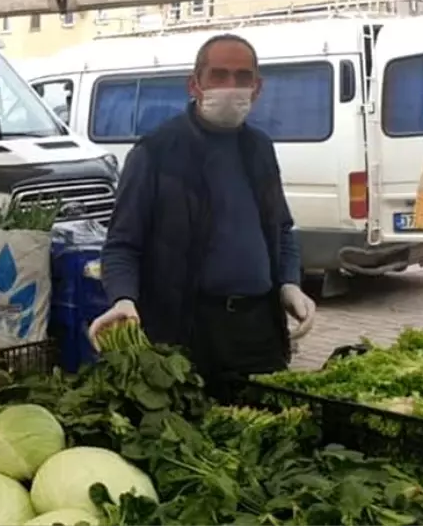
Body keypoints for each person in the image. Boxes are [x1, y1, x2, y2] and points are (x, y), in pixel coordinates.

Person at [88, 34, 316, 380]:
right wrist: (123, 299)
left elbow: (281, 228)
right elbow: (121, 244)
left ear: (258, 87)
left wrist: (289, 283)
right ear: (194, 85)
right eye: (219, 75)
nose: (231, 86)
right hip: (187, 332)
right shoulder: (156, 152)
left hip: (258, 330)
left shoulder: (260, 149)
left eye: (243, 77)